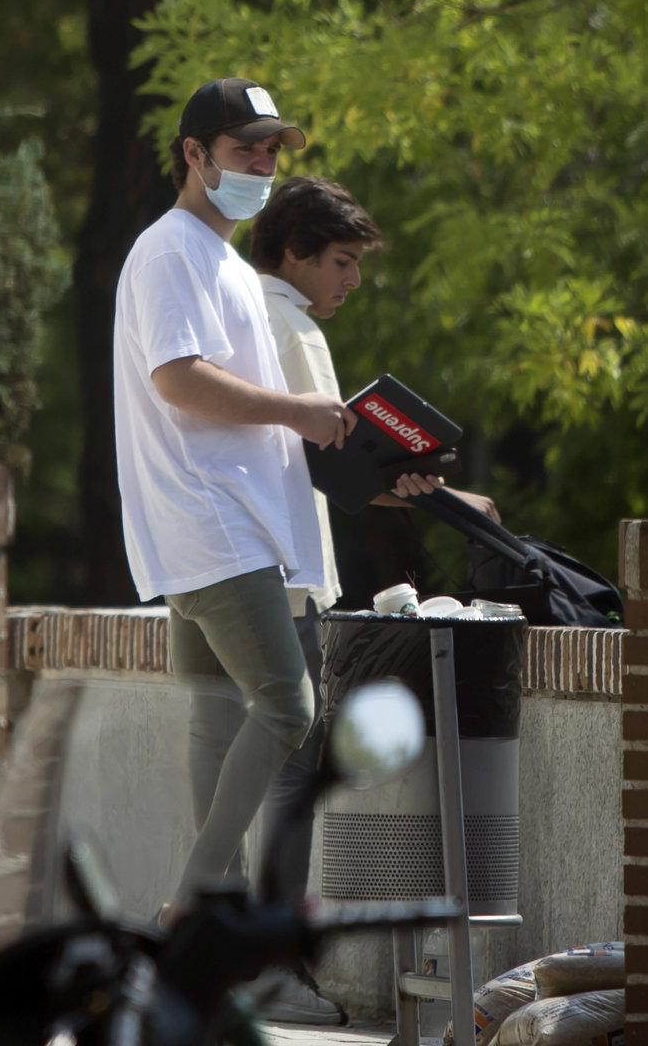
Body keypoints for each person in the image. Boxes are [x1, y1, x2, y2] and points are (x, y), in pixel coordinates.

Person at [113, 80, 432, 933]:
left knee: (219, 721)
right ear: (195, 154)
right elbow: (177, 380)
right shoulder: (172, 251)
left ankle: (210, 940)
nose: (261, 165)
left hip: (213, 527)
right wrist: (299, 410)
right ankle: (196, 904)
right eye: (244, 148)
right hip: (216, 523)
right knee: (289, 708)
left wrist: (374, 469)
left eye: (270, 151)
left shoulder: (217, 259)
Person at [245, 176, 501, 1023]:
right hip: (283, 573)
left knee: (262, 766)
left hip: (251, 566)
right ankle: (270, 969)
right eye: (342, 261)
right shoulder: (289, 325)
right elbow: (331, 457)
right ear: (295, 252)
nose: (353, 280)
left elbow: (317, 461)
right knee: (292, 768)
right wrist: (434, 492)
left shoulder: (244, 311)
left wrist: (414, 486)